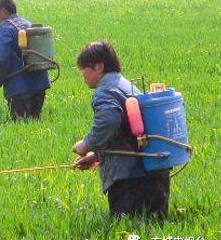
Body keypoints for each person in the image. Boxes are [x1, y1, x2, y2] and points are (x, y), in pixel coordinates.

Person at [72, 40, 170, 218]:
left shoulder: (106, 91)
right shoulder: (125, 84)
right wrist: (96, 156)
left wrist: (87, 145)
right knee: (154, 230)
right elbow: (128, 132)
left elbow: (109, 121)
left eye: (84, 68)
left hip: (130, 179)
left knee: (127, 235)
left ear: (99, 66)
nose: (82, 74)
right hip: (152, 172)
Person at [0, 0, 51, 121]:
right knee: (35, 124)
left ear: (2, 11)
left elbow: (2, 59)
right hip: (40, 84)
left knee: (20, 124)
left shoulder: (5, 28)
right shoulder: (28, 24)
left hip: (19, 88)